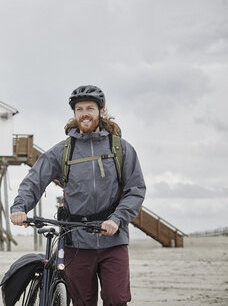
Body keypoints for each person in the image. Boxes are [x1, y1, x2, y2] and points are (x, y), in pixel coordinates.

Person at [10, 86, 146, 306]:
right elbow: (34, 179)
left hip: (113, 239)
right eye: (79, 109)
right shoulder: (64, 150)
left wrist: (117, 218)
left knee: (116, 299)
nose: (85, 113)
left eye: (90, 108)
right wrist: (20, 207)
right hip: (76, 241)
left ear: (101, 111)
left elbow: (136, 189)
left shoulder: (120, 148)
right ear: (74, 113)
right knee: (83, 302)